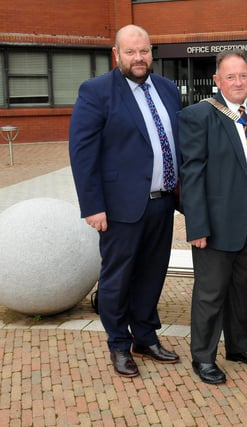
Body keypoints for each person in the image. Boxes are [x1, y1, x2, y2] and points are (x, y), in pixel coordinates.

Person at [69, 24, 181, 377]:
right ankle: (118, 344)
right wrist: (93, 206)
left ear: (152, 52)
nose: (138, 58)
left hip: (162, 203)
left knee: (152, 274)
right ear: (117, 54)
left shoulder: (167, 89)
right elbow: (82, 153)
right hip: (119, 208)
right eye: (130, 52)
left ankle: (144, 337)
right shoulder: (96, 91)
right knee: (118, 279)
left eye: (144, 51)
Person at [178, 49, 247, 385]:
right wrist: (196, 225)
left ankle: (239, 346)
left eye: (243, 75)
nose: (237, 82)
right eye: (230, 76)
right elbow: (191, 175)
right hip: (217, 220)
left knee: (242, 289)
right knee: (211, 292)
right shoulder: (199, 115)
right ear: (216, 81)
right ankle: (203, 357)